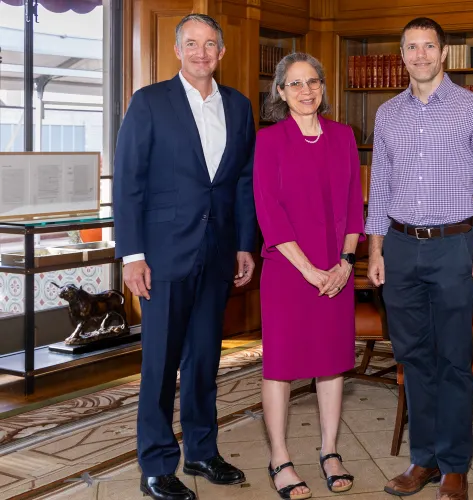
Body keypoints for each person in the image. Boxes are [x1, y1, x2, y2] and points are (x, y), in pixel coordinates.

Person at [113, 13, 256, 500]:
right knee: (160, 364)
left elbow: (241, 184)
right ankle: (156, 463)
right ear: (177, 50)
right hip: (162, 256)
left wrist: (243, 244)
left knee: (204, 362)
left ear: (222, 52)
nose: (202, 53)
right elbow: (129, 183)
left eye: (210, 44)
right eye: (192, 44)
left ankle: (200, 451)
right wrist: (132, 256)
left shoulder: (238, 107)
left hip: (216, 255)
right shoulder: (149, 102)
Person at [366, 17, 473, 500]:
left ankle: (454, 465)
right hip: (401, 248)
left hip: (455, 247)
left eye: (429, 46)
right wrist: (376, 250)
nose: (420, 55)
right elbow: (379, 186)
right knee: (412, 358)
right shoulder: (387, 113)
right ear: (401, 54)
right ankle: (422, 459)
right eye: (411, 47)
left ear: (443, 53)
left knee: (453, 361)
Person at [253, 52, 362, 500]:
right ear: (280, 92)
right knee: (279, 366)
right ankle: (279, 457)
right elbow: (269, 213)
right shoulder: (269, 141)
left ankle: (330, 450)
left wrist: (344, 264)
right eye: (294, 84)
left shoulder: (344, 136)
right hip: (288, 271)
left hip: (337, 269)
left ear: (323, 87)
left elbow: (356, 205)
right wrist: (311, 271)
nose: (305, 90)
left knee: (331, 362)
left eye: (312, 81)